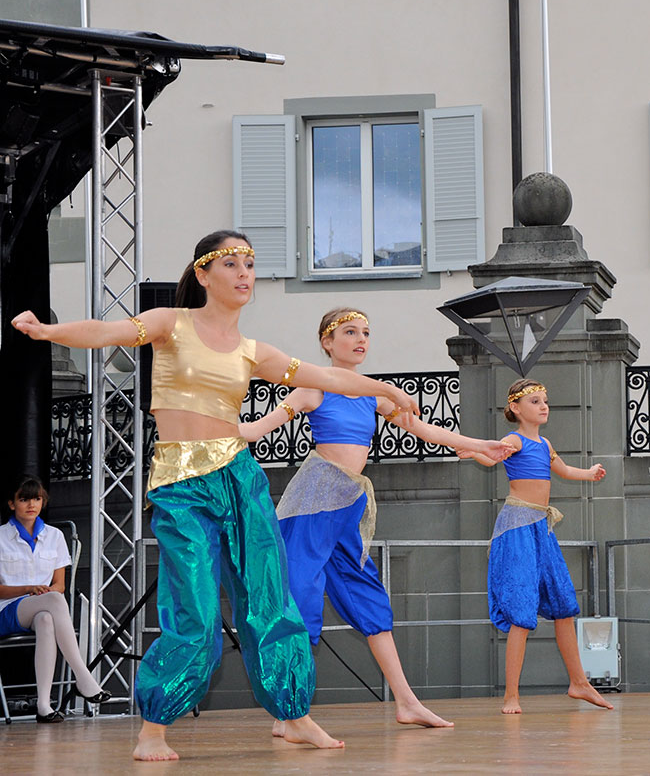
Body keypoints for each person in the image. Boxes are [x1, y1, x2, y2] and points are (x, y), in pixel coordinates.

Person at [11, 230, 423, 760]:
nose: (244, 272)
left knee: (268, 597)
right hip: (183, 485)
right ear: (203, 274)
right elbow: (107, 330)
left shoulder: (254, 351)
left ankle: (294, 714)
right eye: (231, 262)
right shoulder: (170, 323)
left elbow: (326, 376)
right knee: (196, 608)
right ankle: (153, 729)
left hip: (240, 478)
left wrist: (387, 389)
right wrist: (48, 331)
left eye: (249, 263)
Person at [239, 306, 513, 732]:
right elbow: (257, 429)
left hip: (347, 505)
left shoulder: (372, 395)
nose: (361, 339)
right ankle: (289, 713)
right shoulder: (313, 388)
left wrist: (480, 445)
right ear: (327, 342)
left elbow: (427, 430)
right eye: (350, 332)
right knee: (300, 597)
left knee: (368, 597)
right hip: (313, 505)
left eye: (365, 332)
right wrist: (201, 424)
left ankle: (407, 702)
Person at [457, 378, 614, 714]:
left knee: (564, 605)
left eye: (545, 400)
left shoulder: (544, 443)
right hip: (517, 527)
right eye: (535, 401)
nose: (544, 406)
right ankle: (511, 696)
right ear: (515, 408)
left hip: (541, 528)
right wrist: (475, 453)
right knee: (522, 609)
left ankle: (579, 683)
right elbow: (493, 457)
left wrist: (589, 473)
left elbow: (564, 470)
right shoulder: (514, 439)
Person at [0, 476, 110, 723]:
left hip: (43, 605)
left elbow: (59, 585)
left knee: (46, 619)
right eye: (24, 499)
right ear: (11, 504)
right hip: (5, 610)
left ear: (43, 502)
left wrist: (44, 592)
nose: (31, 504)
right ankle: (83, 676)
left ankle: (43, 705)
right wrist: (29, 589)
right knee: (54, 601)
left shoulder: (55, 536)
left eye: (37, 499)